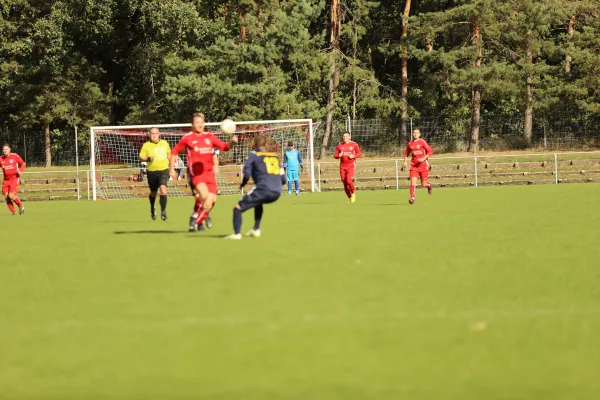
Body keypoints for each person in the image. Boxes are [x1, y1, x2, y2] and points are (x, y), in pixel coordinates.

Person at [170, 112, 238, 232]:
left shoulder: (209, 137)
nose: (200, 125)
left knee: (211, 202)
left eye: (201, 122)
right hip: (196, 174)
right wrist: (171, 169)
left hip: (209, 174)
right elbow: (174, 152)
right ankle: (197, 220)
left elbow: (225, 147)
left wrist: (232, 142)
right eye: (197, 123)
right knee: (204, 196)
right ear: (192, 124)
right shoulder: (187, 138)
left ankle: (196, 220)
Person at [225, 135, 286, 240]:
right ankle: (256, 229)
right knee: (258, 203)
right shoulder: (274, 156)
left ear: (254, 145)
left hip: (263, 189)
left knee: (237, 209)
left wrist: (242, 184)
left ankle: (237, 234)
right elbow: (283, 179)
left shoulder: (253, 155)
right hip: (277, 191)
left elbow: (247, 174)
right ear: (266, 145)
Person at [139, 127, 171, 221]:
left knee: (163, 190)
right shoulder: (146, 145)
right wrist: (148, 159)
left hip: (163, 170)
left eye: (155, 133)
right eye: (152, 133)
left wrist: (172, 163)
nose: (154, 135)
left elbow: (169, 153)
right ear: (149, 135)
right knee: (153, 193)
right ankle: (152, 208)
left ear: (159, 134)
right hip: (152, 172)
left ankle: (163, 212)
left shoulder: (164, 143)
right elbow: (141, 157)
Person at [403, 128, 433, 205]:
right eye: (414, 132)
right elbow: (406, 153)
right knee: (413, 183)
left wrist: (423, 158)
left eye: (417, 133)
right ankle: (412, 198)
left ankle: (429, 185)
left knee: (424, 184)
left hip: (423, 166)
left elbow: (430, 151)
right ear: (412, 134)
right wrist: (405, 162)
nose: (415, 134)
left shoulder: (422, 142)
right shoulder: (410, 144)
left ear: (419, 134)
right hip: (414, 166)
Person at [334, 131, 362, 203]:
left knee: (349, 181)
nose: (344, 138)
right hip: (342, 166)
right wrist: (338, 156)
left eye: (346, 136)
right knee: (344, 182)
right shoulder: (340, 145)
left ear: (349, 137)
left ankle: (353, 193)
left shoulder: (354, 144)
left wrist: (353, 156)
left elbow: (359, 153)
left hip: (351, 165)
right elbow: (335, 155)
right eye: (343, 136)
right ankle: (349, 197)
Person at [1, 144, 25, 215]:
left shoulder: (15, 156)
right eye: (4, 149)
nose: (5, 151)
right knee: (7, 197)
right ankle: (13, 212)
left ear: (10, 150)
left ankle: (21, 206)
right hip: (6, 180)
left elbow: (23, 163)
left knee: (11, 195)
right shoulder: (1, 159)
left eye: (6, 149)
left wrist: (21, 170)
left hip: (14, 179)